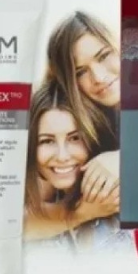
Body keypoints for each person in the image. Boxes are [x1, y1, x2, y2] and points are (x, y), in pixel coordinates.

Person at [23, 81, 120, 247]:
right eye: (47, 141)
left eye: (75, 138)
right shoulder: (51, 206)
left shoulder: (118, 188)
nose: (62, 156)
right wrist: (81, 213)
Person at [45, 11, 120, 205]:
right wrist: (80, 214)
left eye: (104, 56)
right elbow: (28, 209)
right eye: (80, 72)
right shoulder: (68, 119)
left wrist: (127, 159)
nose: (98, 77)